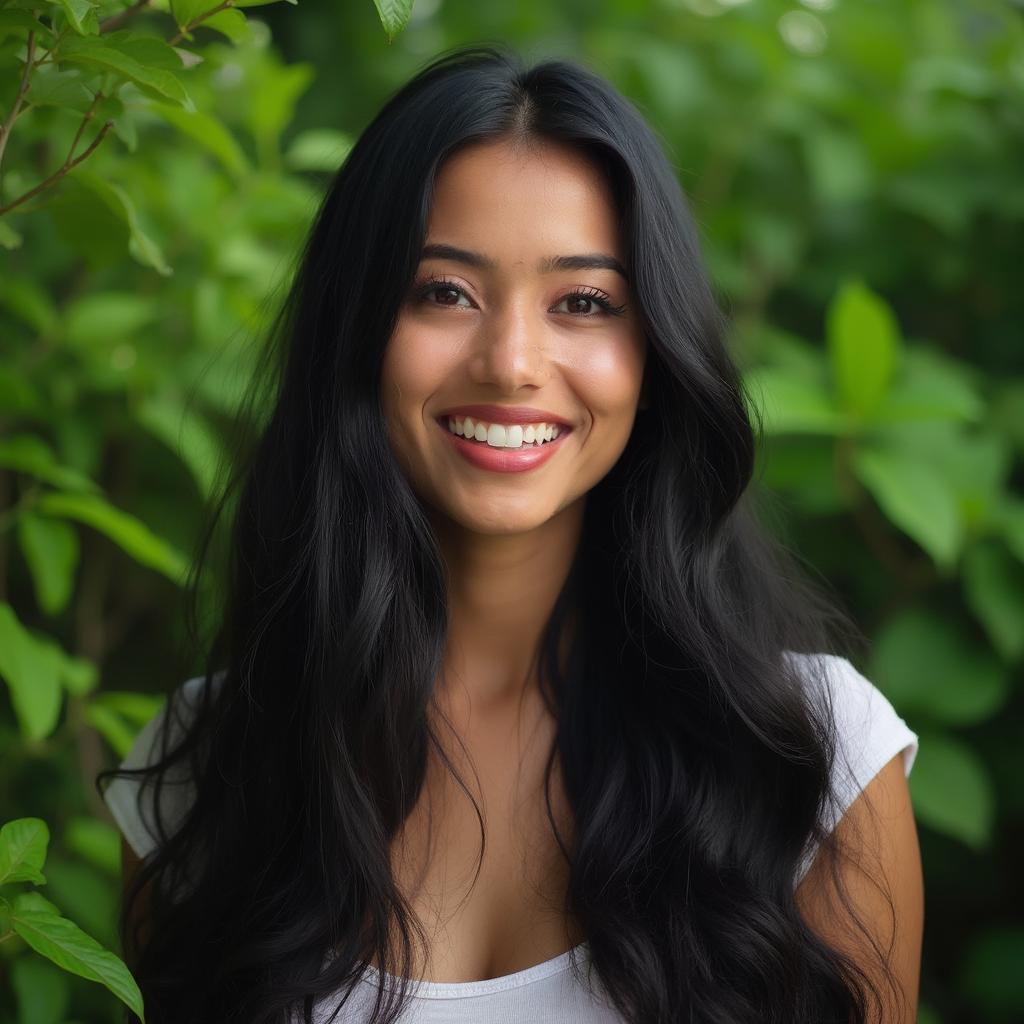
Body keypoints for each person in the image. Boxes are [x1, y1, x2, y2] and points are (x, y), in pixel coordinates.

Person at [97, 43, 923, 1024]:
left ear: (654, 351)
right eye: (444, 291)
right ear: (356, 328)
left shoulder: (812, 763)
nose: (512, 363)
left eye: (583, 303)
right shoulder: (206, 772)